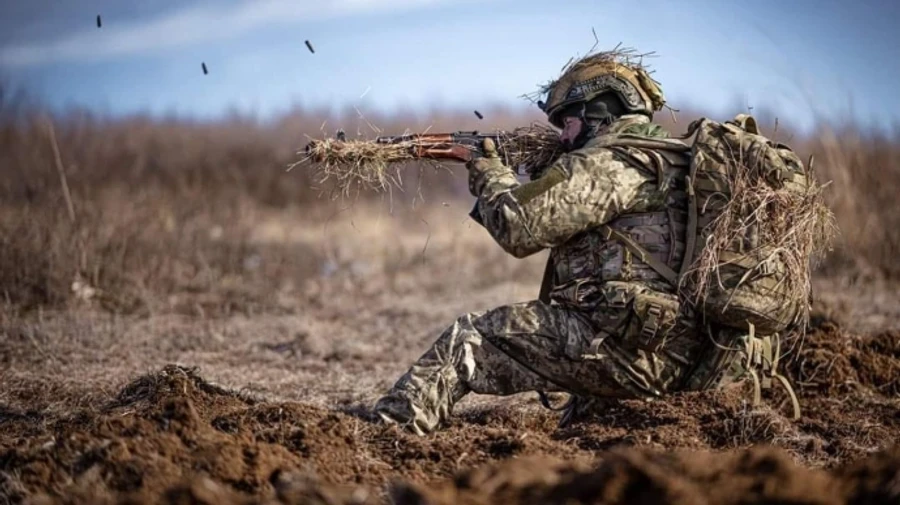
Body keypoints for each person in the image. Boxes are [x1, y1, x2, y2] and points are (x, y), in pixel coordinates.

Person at [372, 49, 795, 435]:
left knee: (471, 340)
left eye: (568, 123)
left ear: (598, 113)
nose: (562, 137)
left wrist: (489, 174)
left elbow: (519, 228)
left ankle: (391, 430)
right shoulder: (669, 159)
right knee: (580, 423)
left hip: (636, 355)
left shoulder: (613, 161)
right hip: (693, 356)